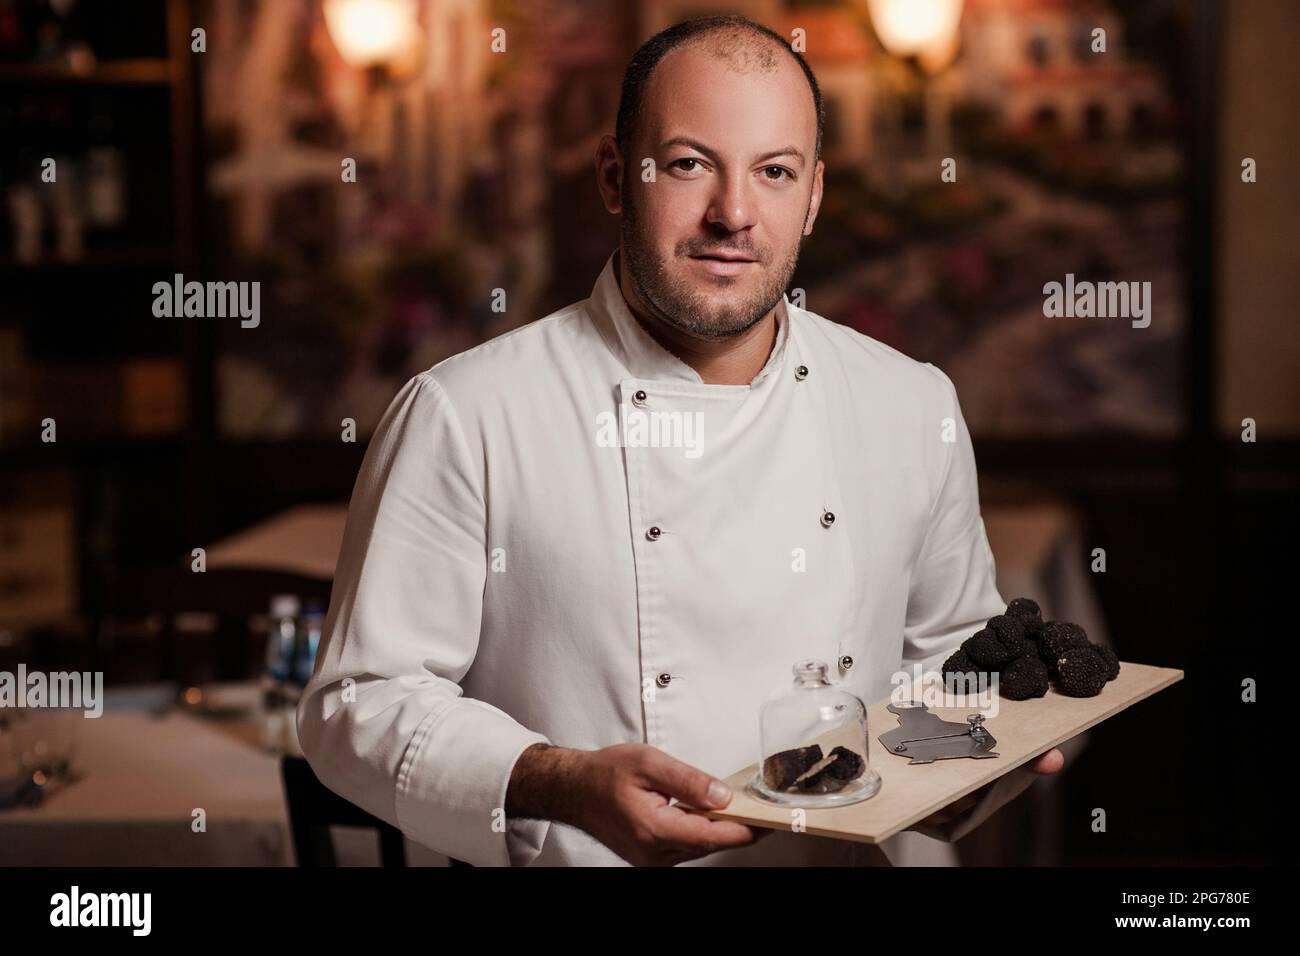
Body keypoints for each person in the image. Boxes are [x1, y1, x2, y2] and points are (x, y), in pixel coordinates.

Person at [297, 14, 1064, 867]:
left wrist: (976, 762)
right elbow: (357, 707)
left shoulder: (912, 403)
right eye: (691, 164)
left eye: (773, 172)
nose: (733, 213)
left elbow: (955, 657)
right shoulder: (465, 413)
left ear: (812, 197)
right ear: (616, 177)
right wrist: (558, 779)